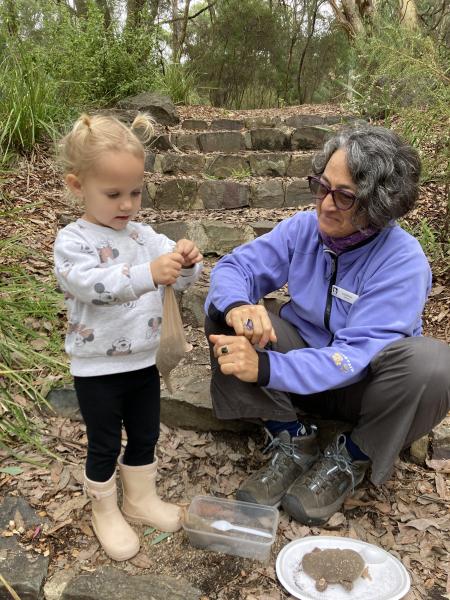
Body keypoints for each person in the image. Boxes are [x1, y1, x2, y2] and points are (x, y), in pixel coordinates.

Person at [205, 124, 450, 526]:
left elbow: (354, 357)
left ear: (379, 205)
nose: (325, 203)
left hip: (363, 386)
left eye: (345, 196)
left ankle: (350, 458)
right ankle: (289, 436)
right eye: (322, 186)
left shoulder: (403, 261)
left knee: (435, 366)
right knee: (223, 312)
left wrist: (266, 368)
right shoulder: (305, 229)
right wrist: (238, 306)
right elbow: (236, 267)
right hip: (300, 364)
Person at [54, 113, 202, 560]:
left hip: (142, 361)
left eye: (135, 192)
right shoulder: (73, 241)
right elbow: (92, 286)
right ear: (78, 186)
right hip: (97, 367)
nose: (127, 204)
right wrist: (147, 274)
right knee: (103, 441)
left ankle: (139, 499)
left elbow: (180, 281)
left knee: (144, 434)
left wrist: (187, 260)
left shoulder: (144, 236)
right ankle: (104, 508)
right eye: (113, 193)